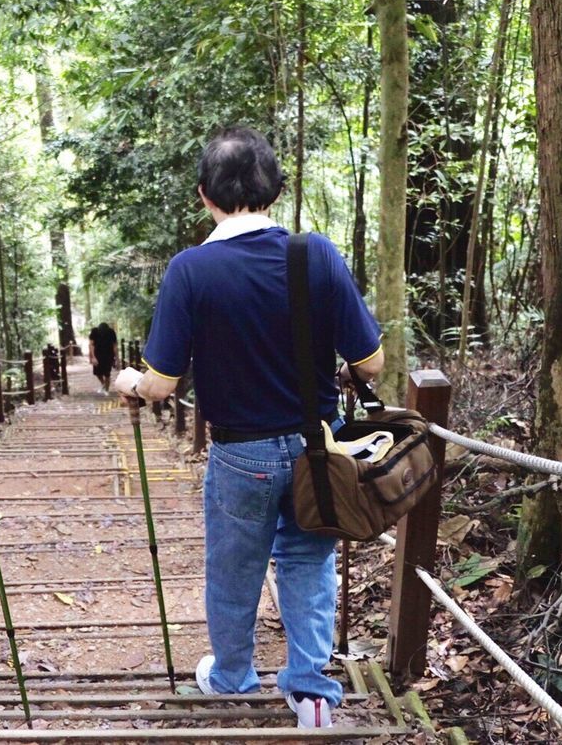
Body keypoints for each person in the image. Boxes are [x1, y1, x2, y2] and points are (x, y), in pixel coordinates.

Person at [114, 126, 383, 729]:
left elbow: (161, 385)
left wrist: (129, 382)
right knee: (308, 563)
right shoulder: (315, 254)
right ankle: (312, 693)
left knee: (234, 566)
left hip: (239, 454)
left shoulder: (191, 270)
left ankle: (233, 675)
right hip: (319, 447)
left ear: (203, 194)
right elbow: (372, 363)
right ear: (276, 190)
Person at [87, 321, 118, 393]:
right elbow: (91, 345)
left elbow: (114, 345)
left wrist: (116, 358)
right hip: (97, 355)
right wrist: (93, 357)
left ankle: (106, 389)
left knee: (107, 373)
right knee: (97, 373)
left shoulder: (111, 332)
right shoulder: (94, 332)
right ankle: (103, 384)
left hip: (108, 355)